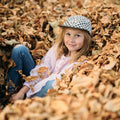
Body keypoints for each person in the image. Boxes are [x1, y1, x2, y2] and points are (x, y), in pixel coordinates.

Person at [7, 15, 92, 101]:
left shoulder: (81, 63)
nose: (71, 40)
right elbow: (42, 69)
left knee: (52, 84)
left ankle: (28, 104)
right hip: (35, 83)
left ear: (86, 39)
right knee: (19, 50)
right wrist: (21, 92)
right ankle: (10, 94)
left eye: (77, 35)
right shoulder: (58, 48)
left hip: (43, 94)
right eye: (68, 34)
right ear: (63, 35)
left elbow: (58, 83)